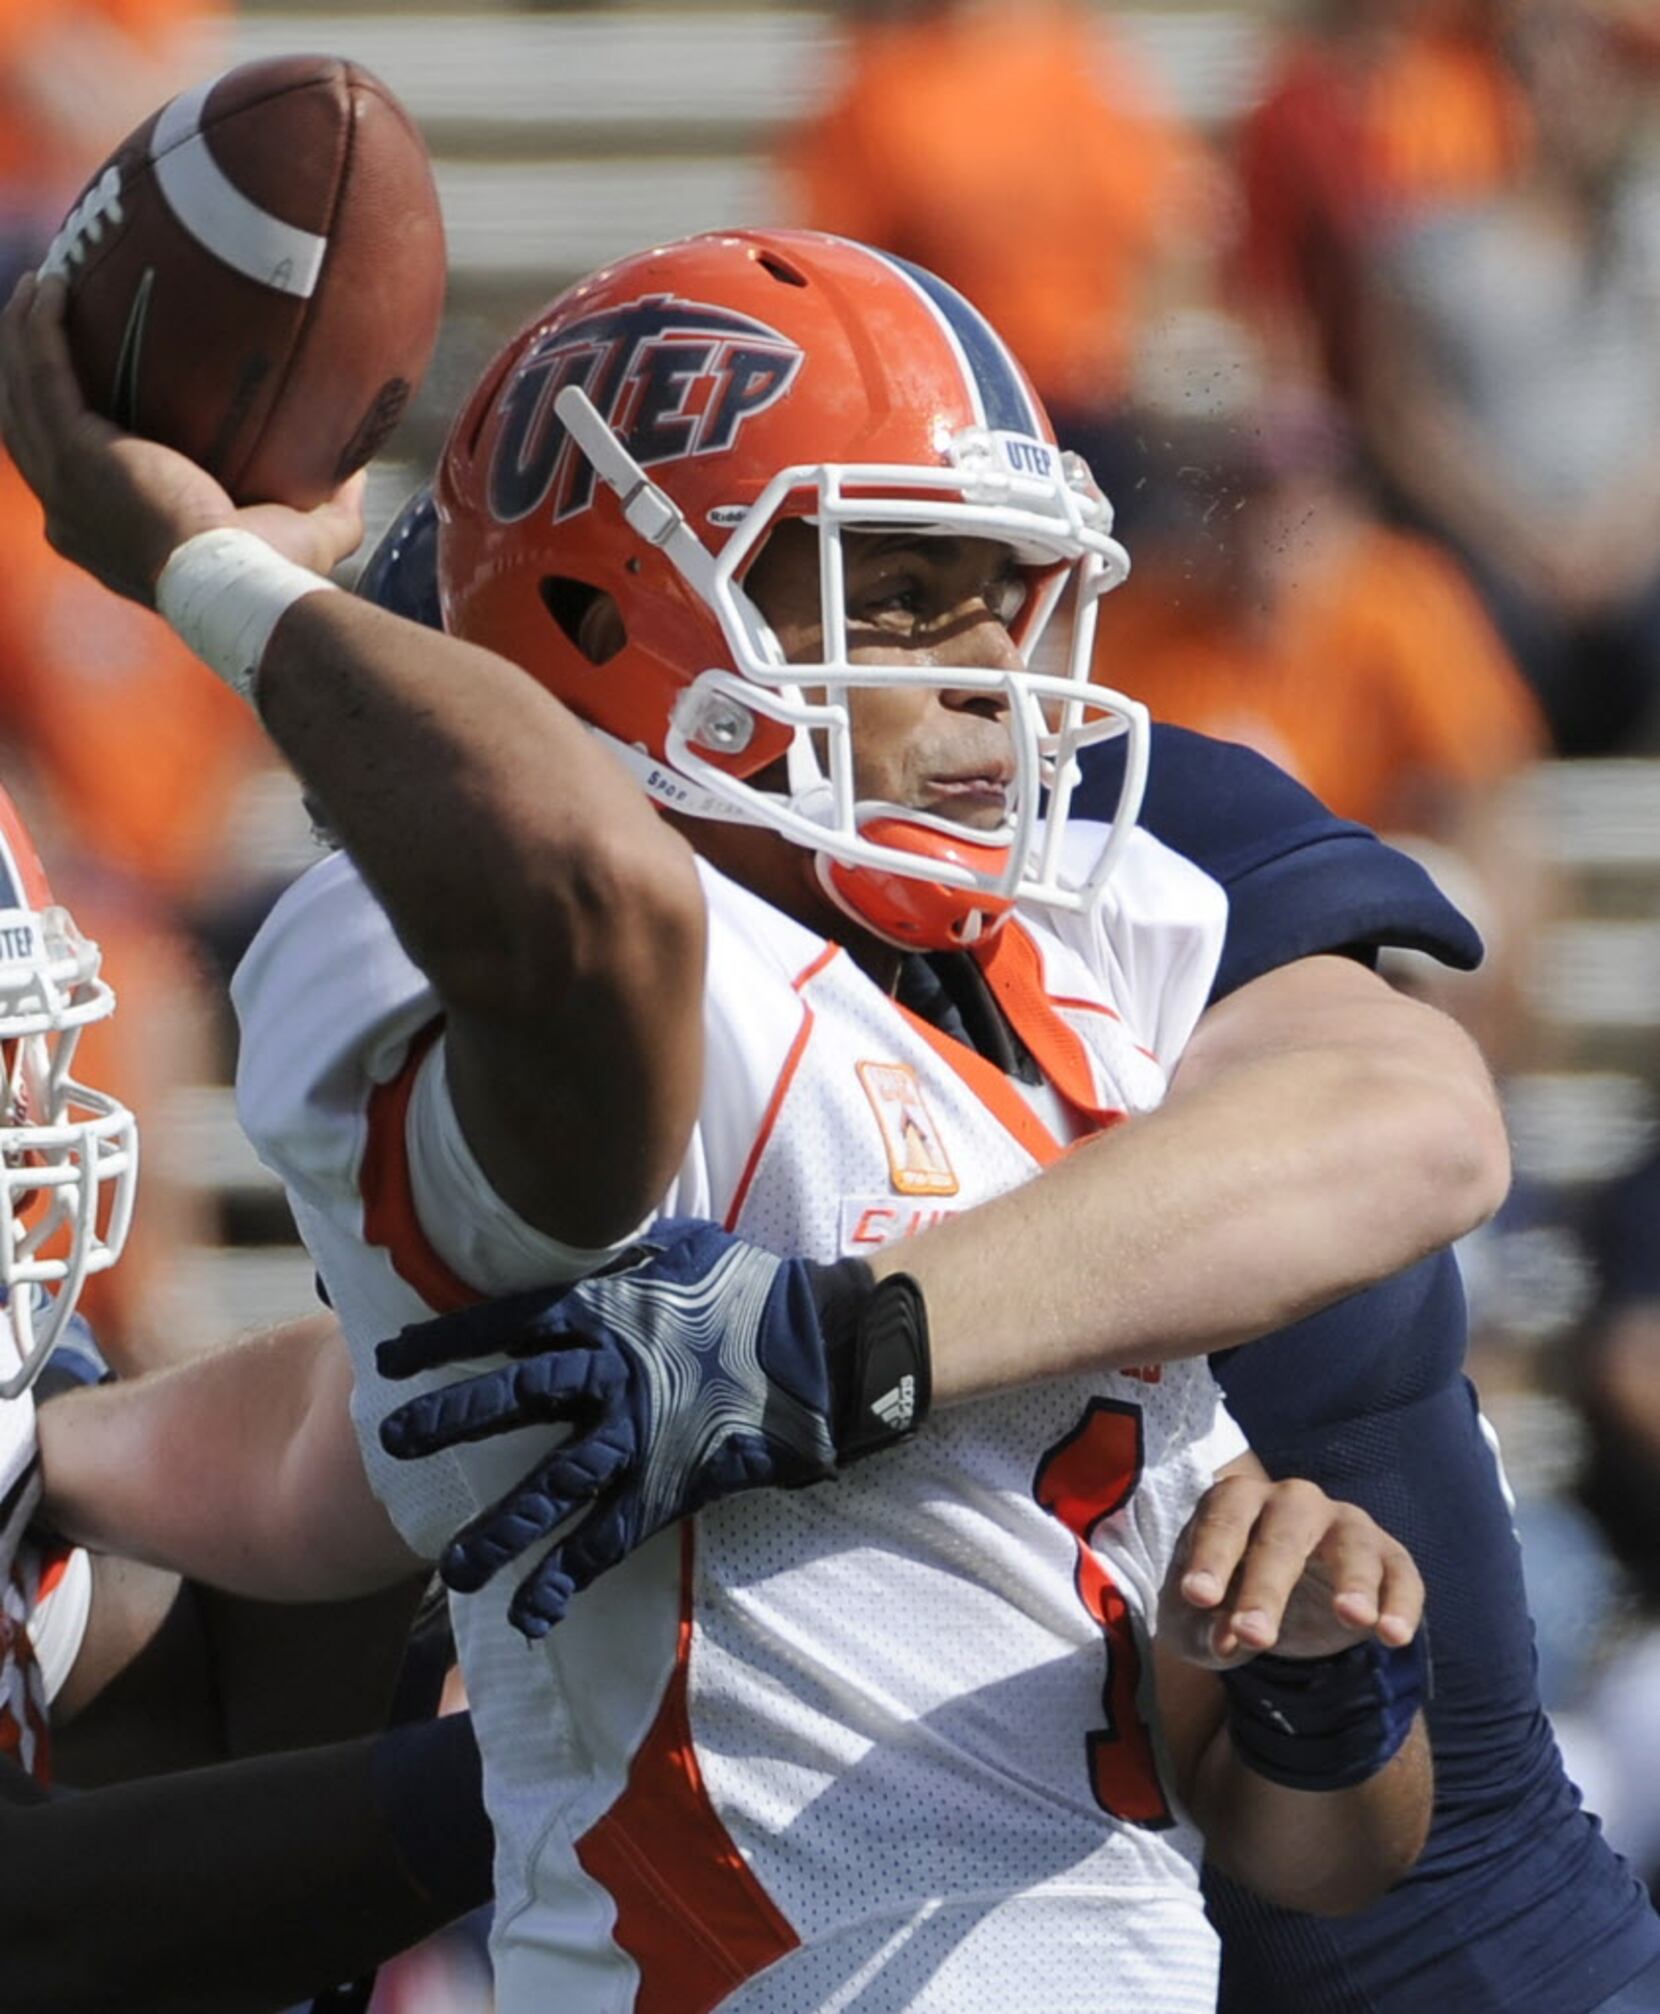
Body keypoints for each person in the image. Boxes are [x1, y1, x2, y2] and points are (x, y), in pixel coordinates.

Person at [3, 228, 1512, 2011]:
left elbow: (1313, 1838)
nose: (985, 662)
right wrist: (226, 583)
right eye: (895, 588)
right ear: (597, 613)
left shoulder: (1078, 995)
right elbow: (585, 908)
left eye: (1001, 591)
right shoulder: (581, 983)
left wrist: (1320, 1671)